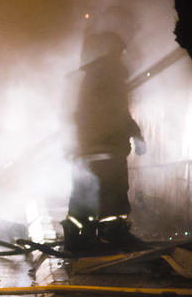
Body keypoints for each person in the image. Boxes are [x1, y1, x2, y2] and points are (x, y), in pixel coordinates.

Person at [61, 31, 146, 252]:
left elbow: (81, 113)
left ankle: (78, 238)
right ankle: (113, 236)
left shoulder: (89, 76)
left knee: (83, 195)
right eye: (120, 51)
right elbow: (118, 112)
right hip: (108, 148)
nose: (122, 55)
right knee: (113, 196)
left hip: (88, 149)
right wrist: (136, 135)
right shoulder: (111, 73)